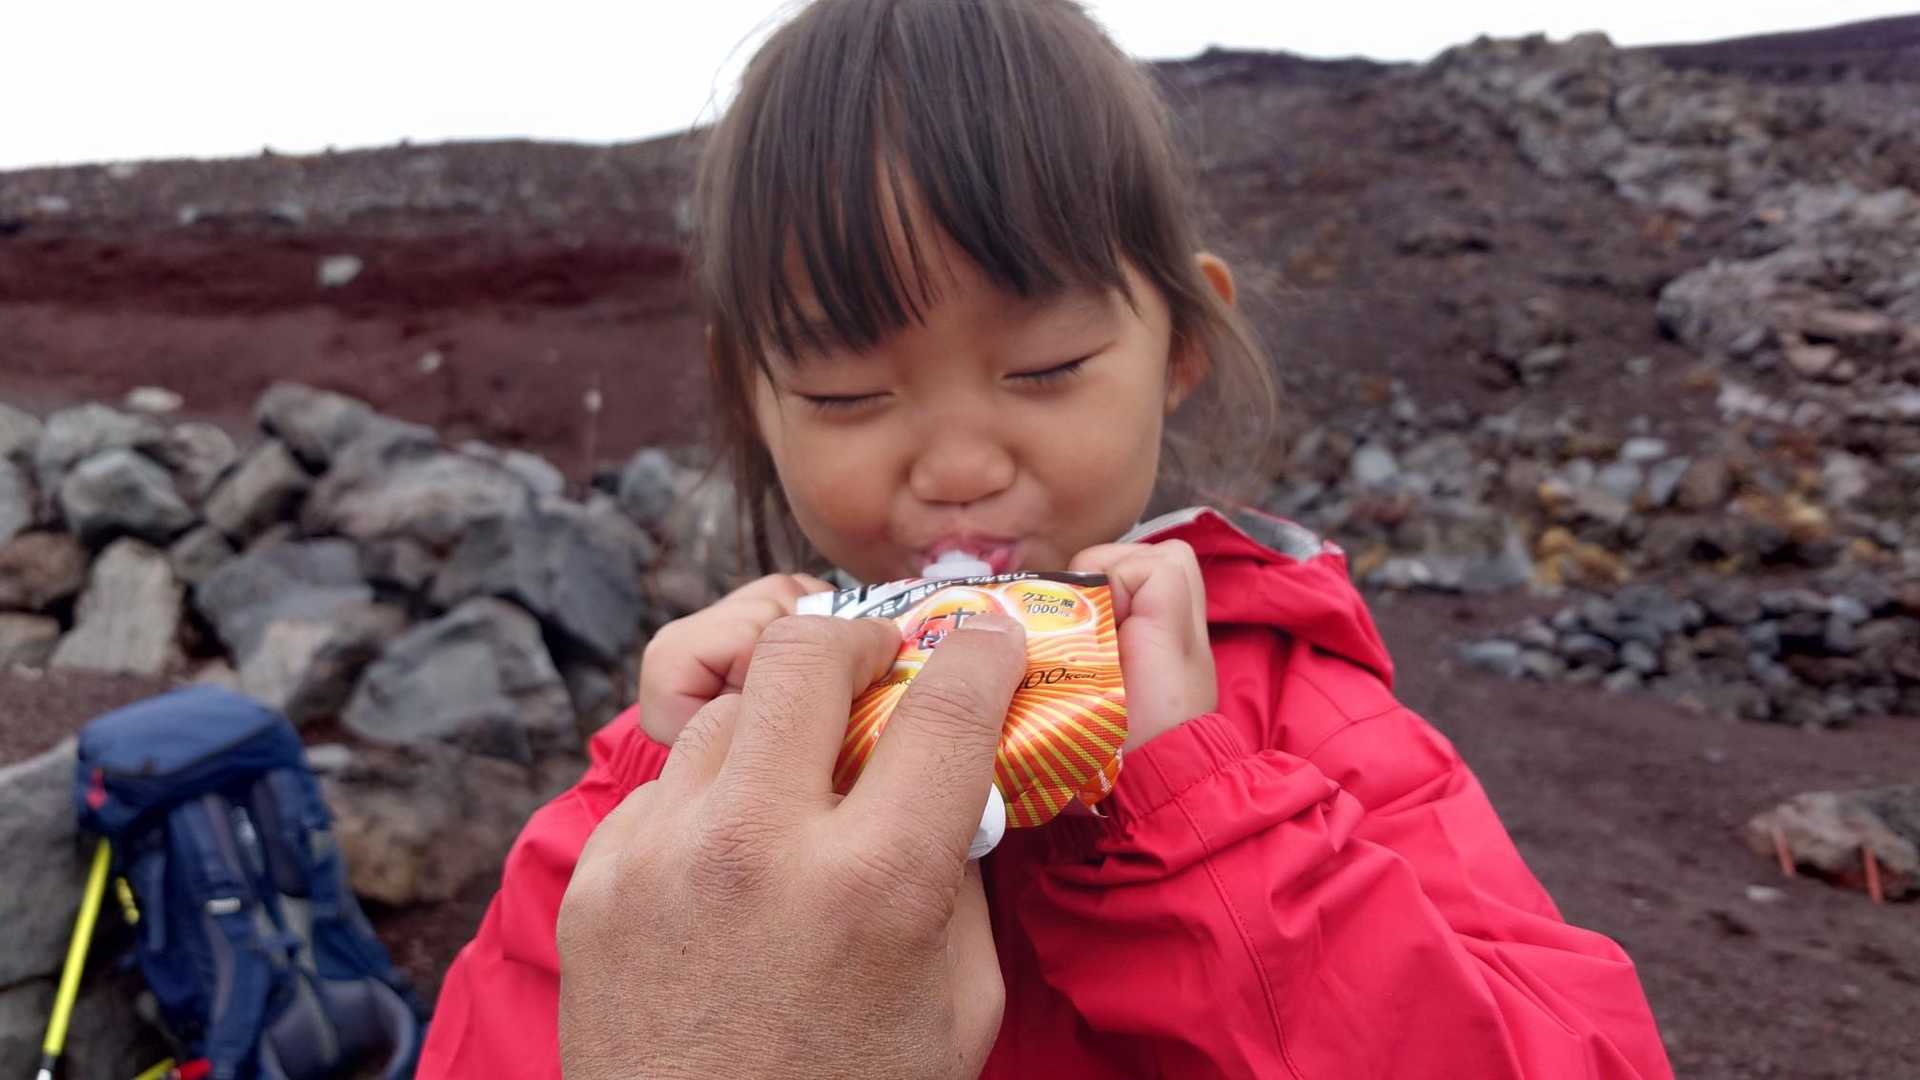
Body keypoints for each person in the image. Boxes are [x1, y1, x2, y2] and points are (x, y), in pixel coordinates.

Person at [419, 1, 1675, 1076]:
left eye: (1047, 367)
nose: (959, 466)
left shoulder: (1301, 718)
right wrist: (655, 785)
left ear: (1179, 347)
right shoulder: (689, 761)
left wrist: (1200, 824)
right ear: (750, 395)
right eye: (846, 395)